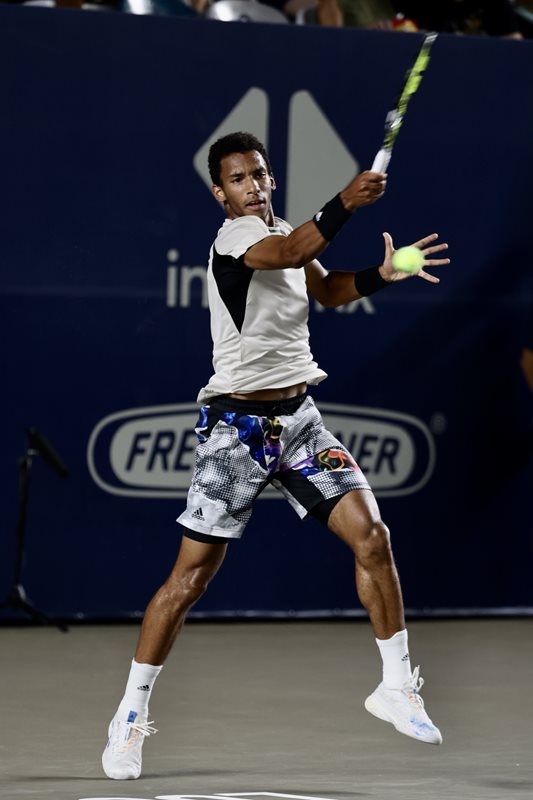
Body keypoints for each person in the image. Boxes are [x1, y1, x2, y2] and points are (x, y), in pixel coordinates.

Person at [102, 131, 449, 781]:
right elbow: (292, 253)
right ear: (221, 193)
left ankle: (396, 686)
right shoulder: (235, 239)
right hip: (236, 430)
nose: (253, 186)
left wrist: (385, 272)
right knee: (190, 579)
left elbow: (328, 291)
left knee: (372, 537)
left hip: (299, 422)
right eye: (238, 179)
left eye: (259, 174)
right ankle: (130, 713)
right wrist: (346, 202)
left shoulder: (284, 229)